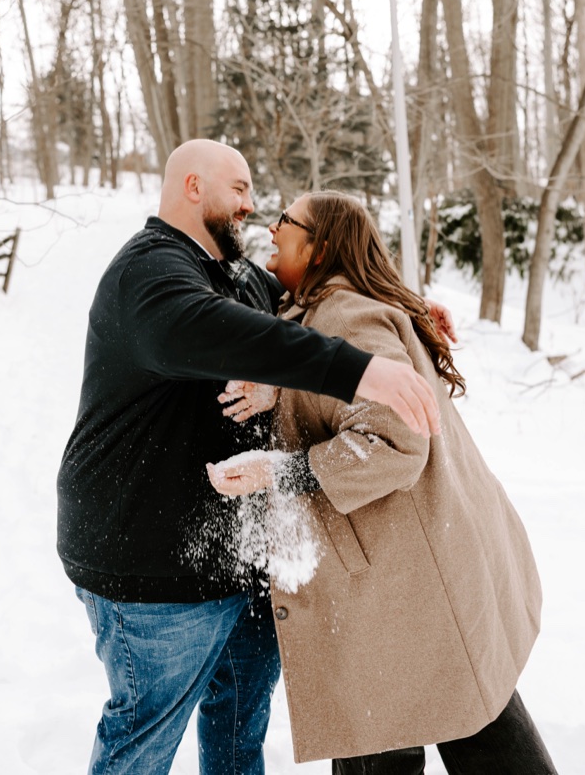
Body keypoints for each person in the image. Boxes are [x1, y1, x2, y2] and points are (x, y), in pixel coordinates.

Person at [58, 140, 442, 775]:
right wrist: (358, 373)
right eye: (237, 188)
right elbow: (226, 331)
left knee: (238, 723)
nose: (250, 204)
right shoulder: (150, 275)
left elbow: (312, 307)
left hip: (241, 558)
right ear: (190, 186)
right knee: (142, 739)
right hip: (151, 570)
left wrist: (409, 314)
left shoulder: (237, 271)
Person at [206, 191, 552, 773]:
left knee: (409, 729)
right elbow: (339, 380)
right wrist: (284, 388)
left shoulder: (348, 315)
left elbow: (396, 441)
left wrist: (285, 470)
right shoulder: (333, 307)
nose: (272, 226)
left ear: (319, 248)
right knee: (467, 714)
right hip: (417, 573)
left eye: (287, 221)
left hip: (402, 581)